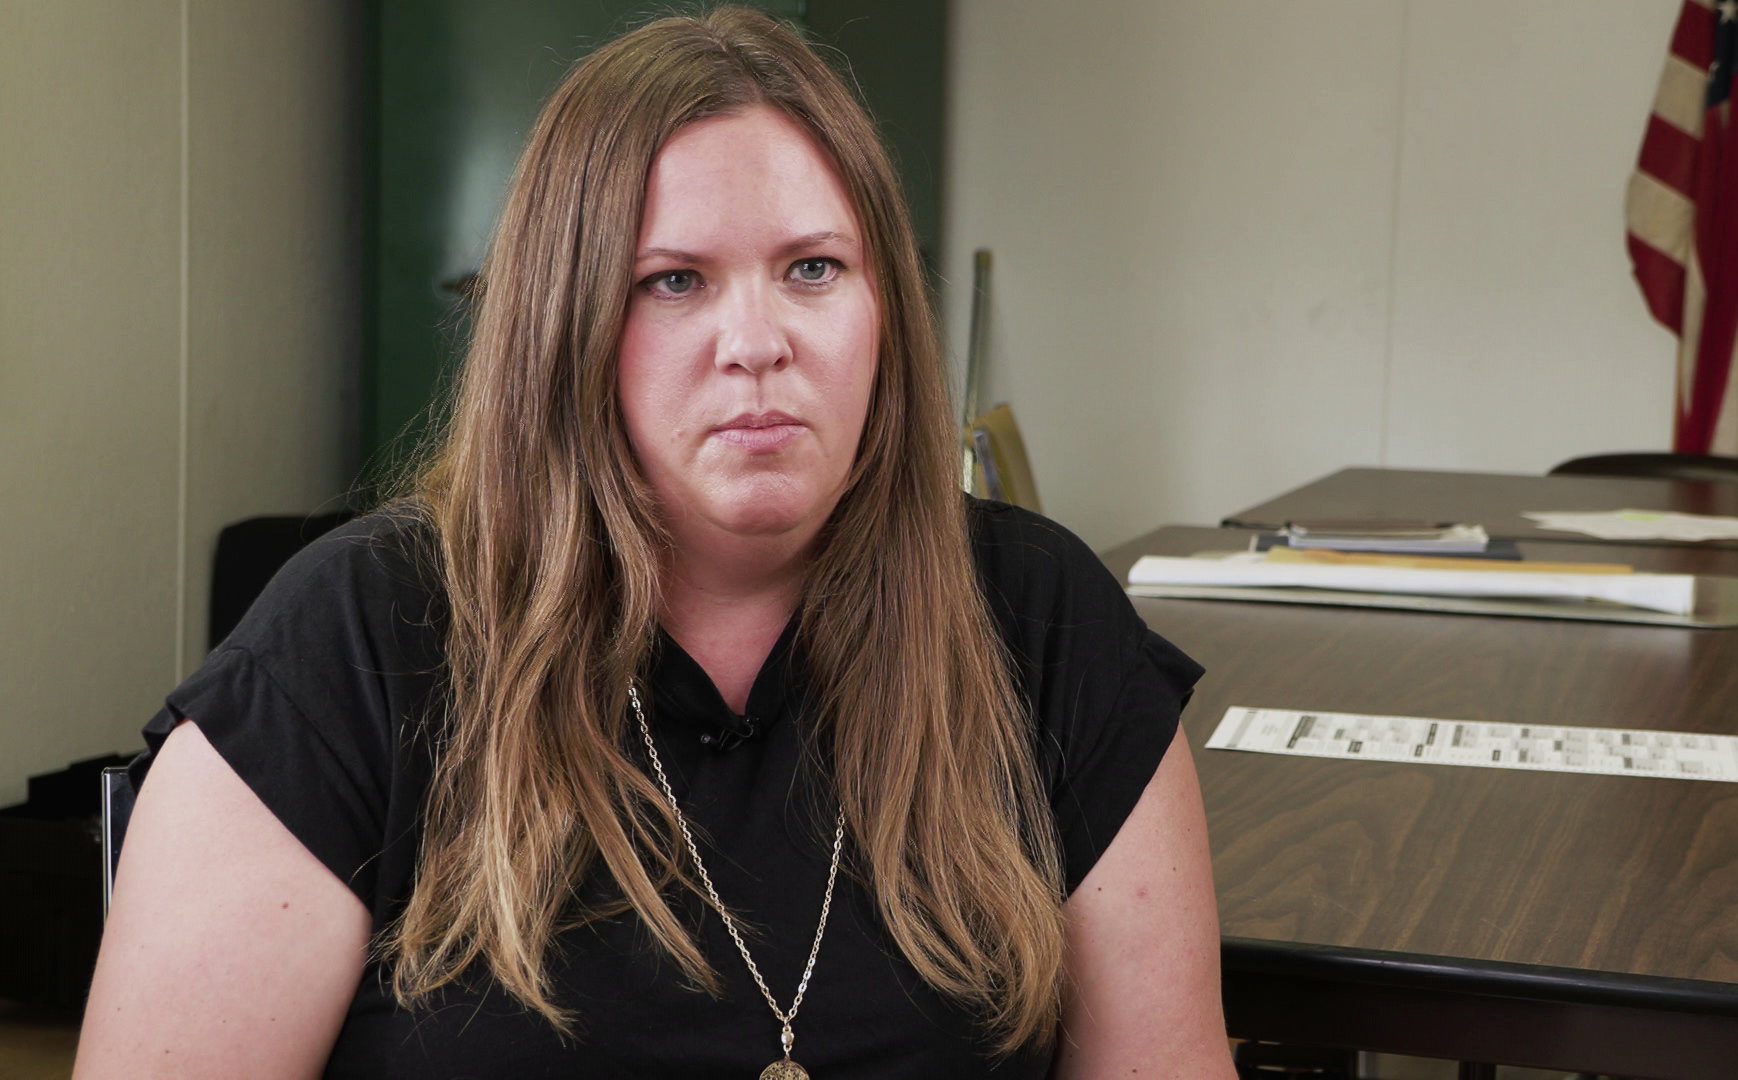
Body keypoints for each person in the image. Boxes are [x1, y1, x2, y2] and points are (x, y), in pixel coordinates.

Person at [74, 8, 1235, 1078]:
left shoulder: (1038, 618)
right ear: (562, 325)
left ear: (886, 307)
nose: (757, 342)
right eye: (673, 281)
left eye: (813, 269)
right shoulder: (357, 640)